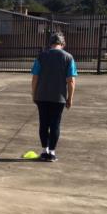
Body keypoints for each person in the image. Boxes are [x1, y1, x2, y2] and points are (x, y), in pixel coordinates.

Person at [31, 31, 77, 162]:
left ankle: (44, 150)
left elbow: (35, 77)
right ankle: (52, 152)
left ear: (50, 43)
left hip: (42, 96)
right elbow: (71, 81)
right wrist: (70, 98)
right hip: (59, 97)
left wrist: (34, 94)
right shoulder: (68, 57)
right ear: (63, 44)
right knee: (55, 124)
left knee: (43, 123)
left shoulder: (41, 56)